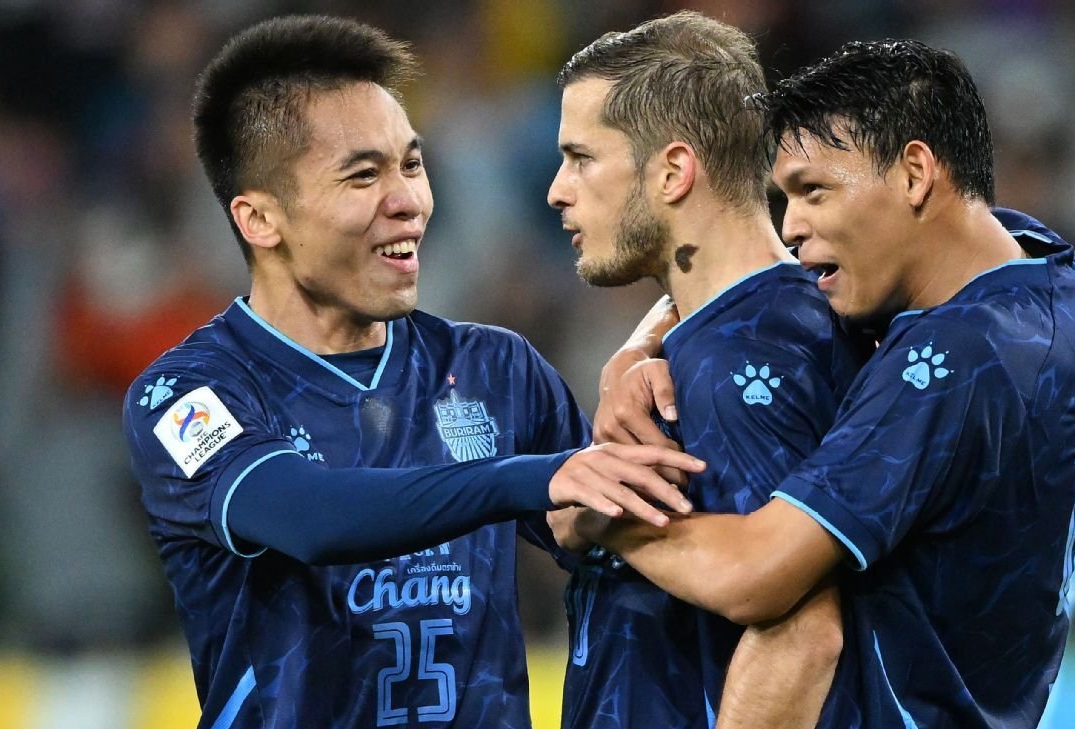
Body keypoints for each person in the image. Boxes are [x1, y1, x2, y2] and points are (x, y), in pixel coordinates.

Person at [121, 15, 701, 729]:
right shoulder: (188, 393)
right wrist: (534, 475)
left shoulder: (495, 368)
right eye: (364, 175)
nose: (409, 202)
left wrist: (646, 367)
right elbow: (307, 516)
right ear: (261, 220)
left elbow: (598, 530)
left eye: (413, 165)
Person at [579, 39, 1075, 728]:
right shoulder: (1050, 272)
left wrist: (600, 512)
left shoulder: (947, 369)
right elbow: (759, 275)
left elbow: (757, 576)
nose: (791, 226)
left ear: (915, 173)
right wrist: (639, 345)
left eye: (814, 191)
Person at [546, 12, 872, 728]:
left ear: (673, 171)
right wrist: (640, 347)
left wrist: (601, 518)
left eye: (581, 158)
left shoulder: (747, 362)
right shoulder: (736, 327)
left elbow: (801, 636)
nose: (557, 191)